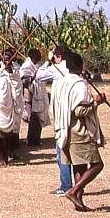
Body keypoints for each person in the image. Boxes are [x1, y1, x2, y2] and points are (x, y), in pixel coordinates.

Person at [56, 51, 106, 212]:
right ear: (80, 66)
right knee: (97, 165)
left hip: (64, 128)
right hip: (79, 131)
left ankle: (79, 201)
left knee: (79, 166)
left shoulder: (61, 82)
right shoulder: (78, 84)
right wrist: (97, 102)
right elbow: (79, 111)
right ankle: (73, 191)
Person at [45, 44, 73, 195]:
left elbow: (39, 75)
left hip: (62, 116)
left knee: (61, 151)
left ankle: (66, 186)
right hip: (71, 114)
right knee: (71, 151)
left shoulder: (56, 69)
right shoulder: (72, 68)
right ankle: (75, 185)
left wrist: (48, 61)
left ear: (58, 56)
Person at [20, 48, 50, 147]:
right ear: (33, 56)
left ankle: (36, 139)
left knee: (37, 118)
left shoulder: (35, 65)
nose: (39, 57)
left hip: (37, 95)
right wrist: (34, 76)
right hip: (30, 96)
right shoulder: (27, 66)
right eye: (38, 55)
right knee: (33, 118)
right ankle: (32, 140)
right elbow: (24, 81)